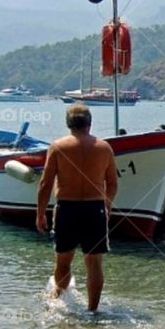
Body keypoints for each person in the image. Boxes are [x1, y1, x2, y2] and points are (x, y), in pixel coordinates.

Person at [36, 104, 118, 311]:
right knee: (94, 264)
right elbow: (113, 182)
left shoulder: (58, 147)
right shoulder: (104, 147)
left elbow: (45, 184)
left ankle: (60, 302)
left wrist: (40, 214)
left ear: (68, 124)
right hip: (94, 208)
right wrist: (107, 206)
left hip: (67, 208)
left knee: (63, 260)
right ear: (89, 123)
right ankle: (93, 310)